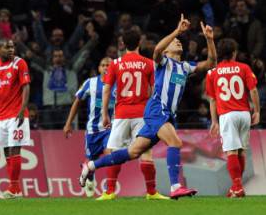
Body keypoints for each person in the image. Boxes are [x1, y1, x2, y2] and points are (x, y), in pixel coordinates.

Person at [80, 15, 217, 199]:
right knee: (175, 142)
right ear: (167, 50)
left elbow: (211, 63)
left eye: (179, 41)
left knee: (133, 152)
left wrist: (209, 40)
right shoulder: (162, 62)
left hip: (166, 115)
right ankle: (175, 186)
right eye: (174, 41)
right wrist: (177, 31)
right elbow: (158, 48)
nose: (178, 42)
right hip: (156, 110)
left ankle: (91, 166)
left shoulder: (185, 67)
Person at [100, 30, 168, 200]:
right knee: (146, 153)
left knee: (114, 152)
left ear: (123, 43)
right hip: (142, 114)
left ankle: (109, 192)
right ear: (140, 43)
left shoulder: (115, 64)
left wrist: (104, 114)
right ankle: (151, 192)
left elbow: (107, 89)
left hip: (121, 114)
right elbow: (154, 91)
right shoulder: (148, 64)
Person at [206, 38, 260, 198]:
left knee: (231, 152)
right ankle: (236, 187)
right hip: (244, 114)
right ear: (234, 53)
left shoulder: (212, 73)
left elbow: (212, 99)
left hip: (227, 115)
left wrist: (214, 121)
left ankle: (237, 187)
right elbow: (254, 90)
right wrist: (257, 111)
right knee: (241, 151)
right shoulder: (244, 67)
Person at [0, 39, 31, 199]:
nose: (11, 49)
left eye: (12, 46)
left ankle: (13, 189)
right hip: (2, 116)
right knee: (6, 152)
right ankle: (15, 190)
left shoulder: (19, 63)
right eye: (7, 47)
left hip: (17, 114)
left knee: (14, 149)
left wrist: (23, 110)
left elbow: (26, 86)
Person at [63, 57, 114, 198]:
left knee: (110, 154)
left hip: (110, 129)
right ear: (99, 68)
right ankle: (91, 180)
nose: (106, 68)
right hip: (92, 131)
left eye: (108, 65)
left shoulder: (119, 84)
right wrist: (68, 123)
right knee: (90, 161)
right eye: (103, 65)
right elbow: (77, 101)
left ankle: (109, 186)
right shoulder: (90, 83)